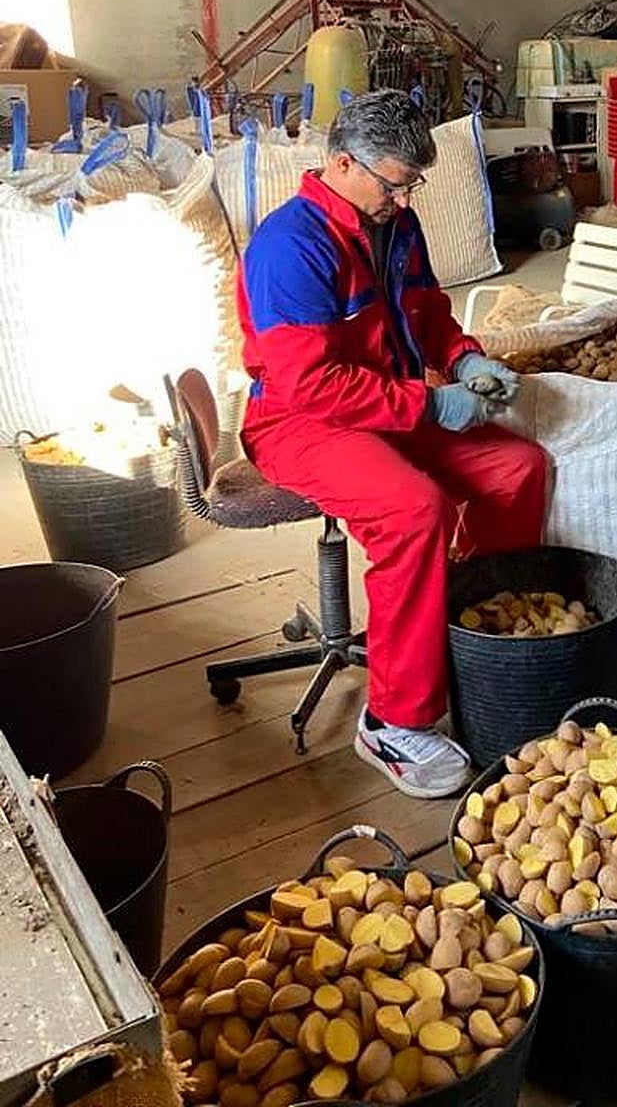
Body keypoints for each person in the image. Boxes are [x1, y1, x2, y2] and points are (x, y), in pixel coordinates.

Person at [237, 90, 547, 798]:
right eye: (396, 182)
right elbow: (310, 383)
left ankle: (478, 644)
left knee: (519, 468)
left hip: (390, 403)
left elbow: (429, 312)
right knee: (415, 511)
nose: (405, 199)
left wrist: (466, 359)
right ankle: (392, 719)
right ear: (344, 163)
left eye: (413, 184)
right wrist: (432, 402)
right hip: (300, 422)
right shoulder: (290, 246)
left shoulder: (397, 227)